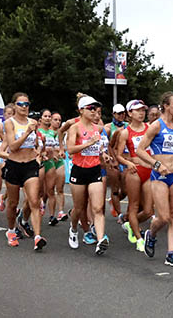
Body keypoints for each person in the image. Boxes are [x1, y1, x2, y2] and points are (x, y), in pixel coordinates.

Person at [137, 92, 173, 267]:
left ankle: (171, 253)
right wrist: (156, 164)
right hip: (159, 176)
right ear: (166, 106)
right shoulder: (156, 126)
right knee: (164, 217)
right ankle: (151, 235)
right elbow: (140, 150)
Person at [2, 93, 47, 251]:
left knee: (34, 201)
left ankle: (37, 237)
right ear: (14, 106)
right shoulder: (9, 123)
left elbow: (36, 144)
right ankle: (11, 230)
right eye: (21, 104)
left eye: (27, 104)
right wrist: (27, 132)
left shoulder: (33, 122)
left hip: (30, 165)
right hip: (14, 165)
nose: (24, 107)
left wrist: (40, 150)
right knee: (13, 203)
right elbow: (12, 147)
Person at [66, 96, 109, 255]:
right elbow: (70, 149)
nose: (94, 112)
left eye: (95, 109)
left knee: (98, 207)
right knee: (79, 207)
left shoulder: (97, 128)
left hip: (94, 170)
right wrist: (89, 143)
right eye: (91, 109)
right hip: (79, 171)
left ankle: (100, 240)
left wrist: (103, 155)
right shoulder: (75, 128)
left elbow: (98, 148)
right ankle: (74, 228)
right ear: (81, 110)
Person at [116, 99, 153, 252]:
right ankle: (139, 238)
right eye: (138, 110)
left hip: (150, 170)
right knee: (134, 206)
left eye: (143, 110)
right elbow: (118, 155)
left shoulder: (150, 128)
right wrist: (127, 163)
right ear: (130, 113)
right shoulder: (125, 132)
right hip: (134, 171)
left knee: (149, 210)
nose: (141, 113)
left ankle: (130, 223)